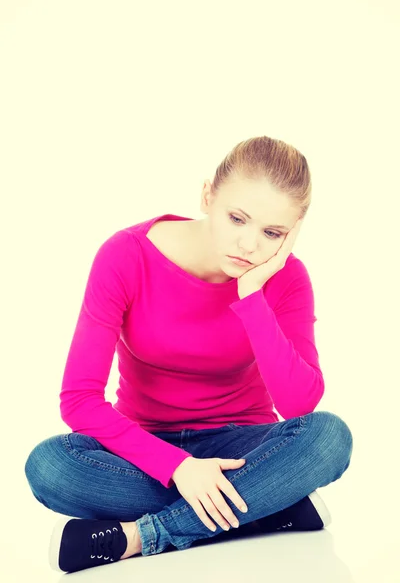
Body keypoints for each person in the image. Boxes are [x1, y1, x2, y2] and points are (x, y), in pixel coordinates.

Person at [24, 135, 353, 574]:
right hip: (143, 446)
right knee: (51, 467)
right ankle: (268, 508)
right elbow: (79, 399)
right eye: (237, 218)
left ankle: (145, 536)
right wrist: (178, 466)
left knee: (329, 438)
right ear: (207, 196)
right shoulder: (126, 256)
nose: (250, 245)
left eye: (272, 233)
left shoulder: (286, 278)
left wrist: (252, 295)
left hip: (243, 445)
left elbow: (298, 406)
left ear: (291, 233)